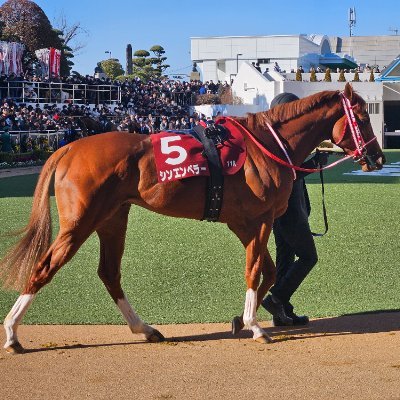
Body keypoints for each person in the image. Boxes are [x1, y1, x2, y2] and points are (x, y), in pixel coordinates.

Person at [261, 92, 329, 326]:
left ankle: (283, 312)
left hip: (286, 208)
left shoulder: (278, 139)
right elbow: (289, 173)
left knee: (286, 257)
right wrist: (313, 164)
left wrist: (312, 162)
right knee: (308, 256)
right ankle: (277, 298)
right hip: (289, 210)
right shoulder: (281, 142)